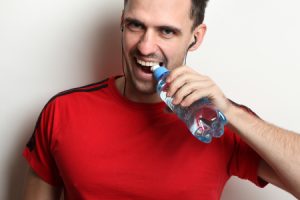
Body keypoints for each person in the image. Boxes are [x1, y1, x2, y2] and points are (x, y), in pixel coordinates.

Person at [22, 0, 300, 199]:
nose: (145, 46)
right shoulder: (62, 112)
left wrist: (231, 112)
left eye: (166, 31)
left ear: (195, 37)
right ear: (122, 22)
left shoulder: (220, 121)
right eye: (135, 25)